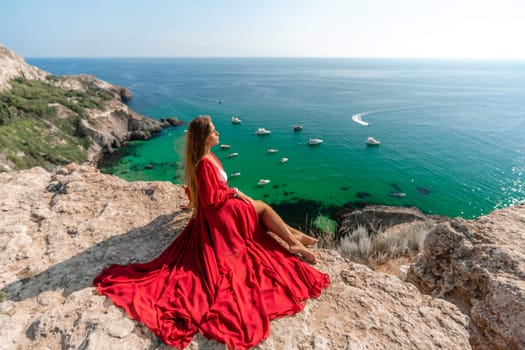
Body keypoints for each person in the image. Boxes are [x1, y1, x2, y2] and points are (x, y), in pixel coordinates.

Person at [94, 115, 330, 349]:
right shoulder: (205, 163)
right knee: (264, 207)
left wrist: (210, 198)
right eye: (213, 131)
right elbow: (209, 199)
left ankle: (295, 236)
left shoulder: (207, 157)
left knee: (259, 209)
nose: (217, 134)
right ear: (204, 138)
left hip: (221, 212)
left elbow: (198, 190)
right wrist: (234, 192)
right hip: (222, 215)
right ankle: (293, 242)